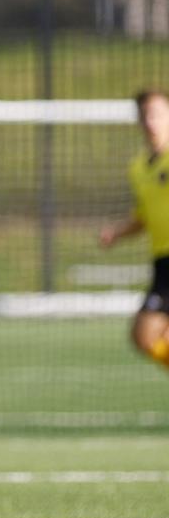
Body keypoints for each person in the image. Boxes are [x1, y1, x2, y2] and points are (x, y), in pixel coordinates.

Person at [100, 90, 169, 371]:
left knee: (150, 333)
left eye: (157, 114)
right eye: (145, 116)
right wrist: (117, 233)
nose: (151, 121)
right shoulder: (138, 168)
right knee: (144, 337)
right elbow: (143, 216)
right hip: (162, 262)